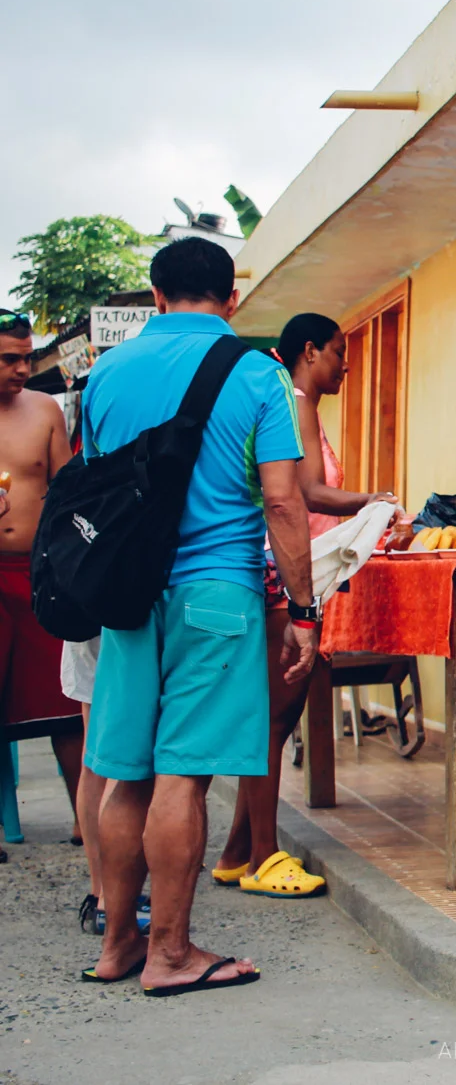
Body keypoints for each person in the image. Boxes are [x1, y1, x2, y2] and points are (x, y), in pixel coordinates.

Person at [81, 238, 317, 994]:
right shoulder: (257, 374)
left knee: (124, 773)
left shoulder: (104, 373)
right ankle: (172, 953)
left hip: (125, 591)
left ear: (154, 298)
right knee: (183, 775)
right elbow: (282, 499)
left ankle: (119, 943)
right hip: (216, 593)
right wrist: (303, 609)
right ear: (232, 299)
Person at [213, 312, 398, 897]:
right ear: (311, 351)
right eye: (341, 353)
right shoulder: (293, 401)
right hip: (285, 574)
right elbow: (307, 493)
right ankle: (264, 855)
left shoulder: (299, 403)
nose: (347, 364)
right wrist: (375, 500)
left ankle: (237, 851)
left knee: (280, 711)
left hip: (296, 574)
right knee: (274, 713)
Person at [0, 309, 84, 843]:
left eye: (27, 357)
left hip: (34, 572)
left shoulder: (46, 409)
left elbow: (65, 489)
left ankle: (88, 819)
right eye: (10, 358)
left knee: (64, 701)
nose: (22, 368)